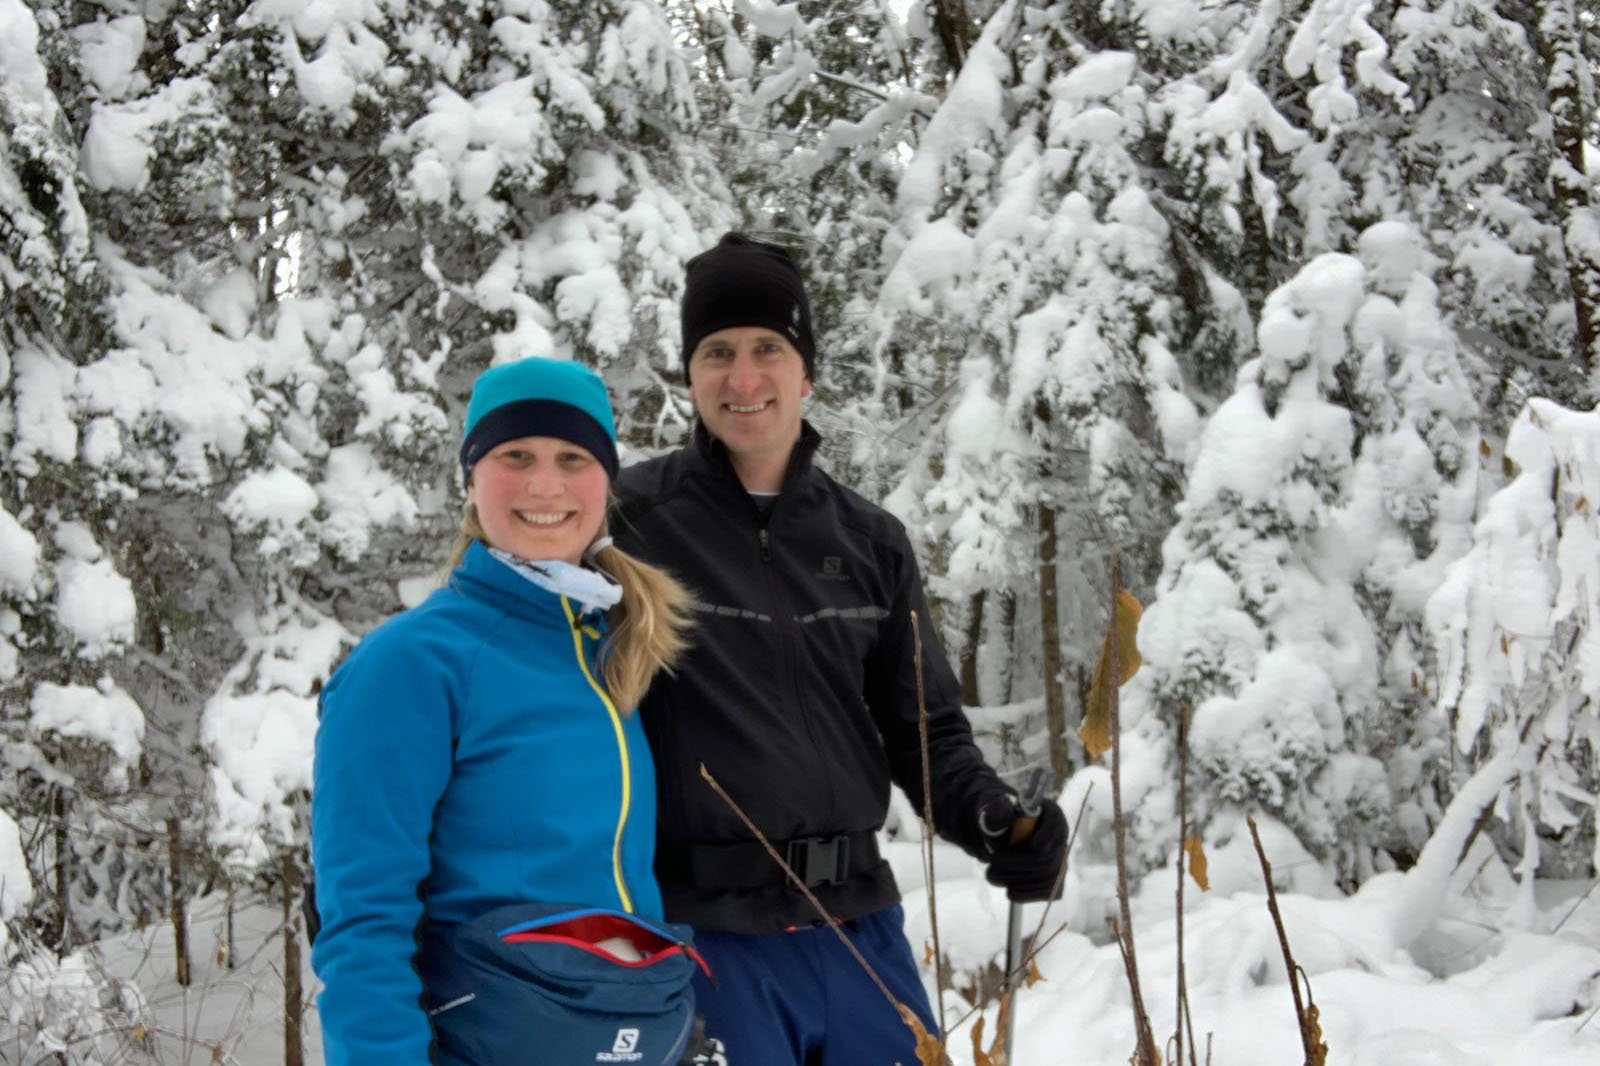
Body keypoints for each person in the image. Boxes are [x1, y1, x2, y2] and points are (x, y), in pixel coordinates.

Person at [614, 233, 1070, 1065]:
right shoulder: (628, 521)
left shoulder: (869, 540)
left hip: (860, 928)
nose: (743, 378)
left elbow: (926, 736)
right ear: (689, 374)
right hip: (707, 936)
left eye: (767, 349)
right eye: (717, 351)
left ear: (806, 372)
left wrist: (996, 820)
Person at [311, 357, 707, 1066]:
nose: (545, 484)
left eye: (573, 457)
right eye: (514, 455)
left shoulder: (611, 651)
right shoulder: (410, 664)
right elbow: (363, 922)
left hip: (625, 1040)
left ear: (606, 481)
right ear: (472, 477)